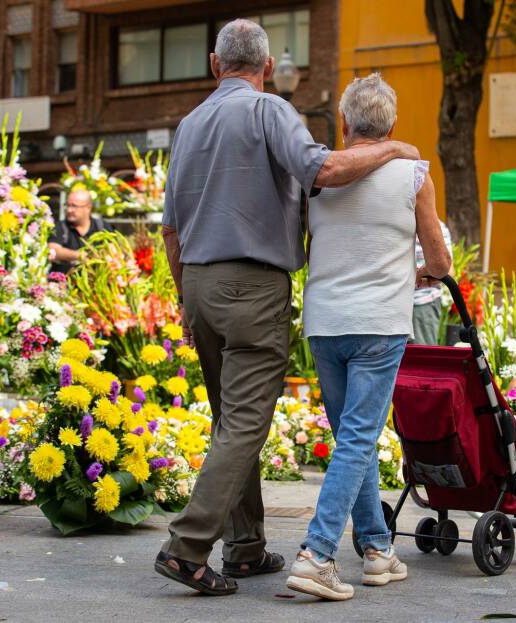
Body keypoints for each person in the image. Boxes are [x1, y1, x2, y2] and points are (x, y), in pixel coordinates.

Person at [155, 20, 422, 597]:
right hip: (253, 287)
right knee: (247, 421)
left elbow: (170, 229)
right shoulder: (269, 110)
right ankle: (187, 546)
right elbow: (322, 171)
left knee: (231, 420)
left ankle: (246, 548)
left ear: (213, 63)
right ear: (268, 68)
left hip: (198, 282)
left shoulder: (189, 125)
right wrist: (394, 147)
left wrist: (185, 292)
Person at [285, 73, 451, 601]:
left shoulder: (320, 176)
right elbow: (441, 258)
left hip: (325, 322)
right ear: (392, 125)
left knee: (349, 441)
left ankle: (378, 549)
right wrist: (423, 272)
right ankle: (317, 553)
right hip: (380, 322)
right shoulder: (414, 176)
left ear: (343, 122)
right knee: (358, 439)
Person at [47, 188, 113, 273]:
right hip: (65, 283)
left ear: (88, 208)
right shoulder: (60, 227)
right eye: (67, 205)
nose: (69, 210)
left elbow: (113, 251)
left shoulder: (102, 227)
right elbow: (53, 250)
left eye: (74, 206)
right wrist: (82, 256)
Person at [412, 220, 452, 345]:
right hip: (408, 304)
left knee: (421, 358)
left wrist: (415, 278)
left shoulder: (439, 228)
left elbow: (448, 271)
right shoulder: (439, 227)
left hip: (422, 302)